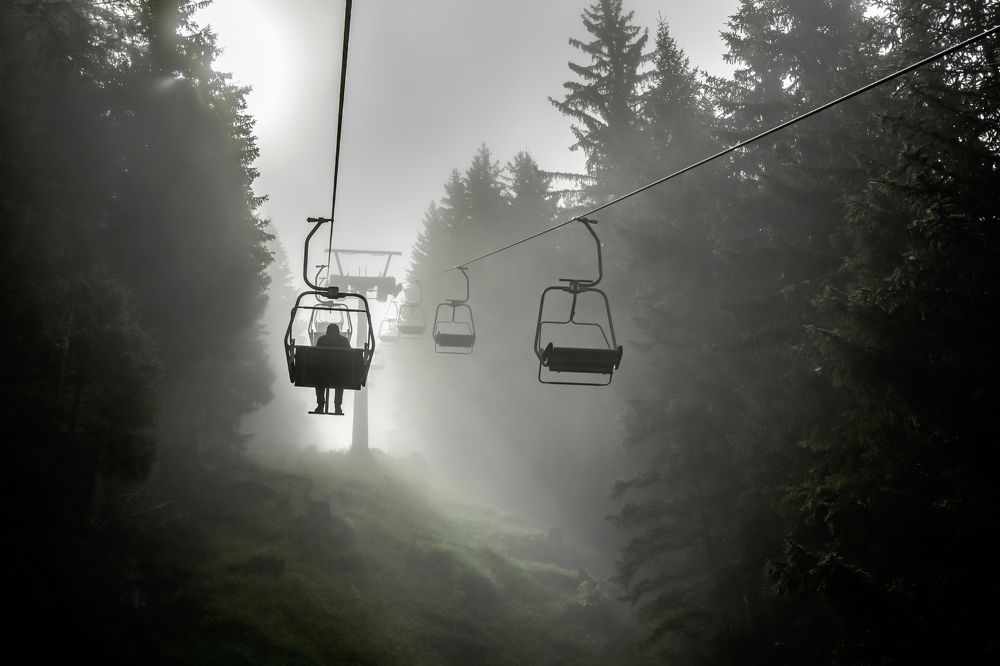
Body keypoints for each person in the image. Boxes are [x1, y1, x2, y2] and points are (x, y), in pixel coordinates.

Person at [313, 322, 351, 415]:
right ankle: (338, 407)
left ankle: (320, 405)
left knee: (319, 381)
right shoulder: (344, 341)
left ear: (327, 331)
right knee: (340, 383)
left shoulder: (322, 339)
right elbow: (350, 355)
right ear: (338, 331)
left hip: (323, 373)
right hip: (339, 374)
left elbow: (316, 354)